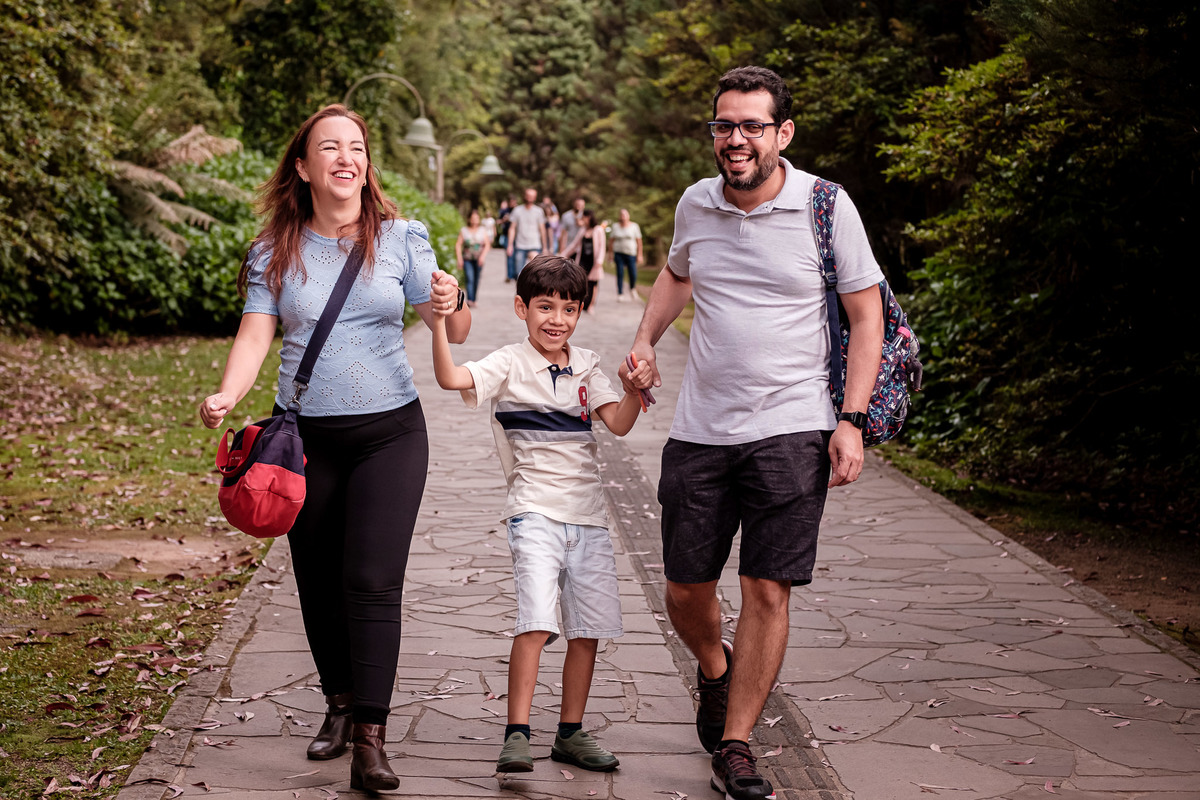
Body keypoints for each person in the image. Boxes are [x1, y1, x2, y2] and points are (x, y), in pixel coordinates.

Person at [622, 66, 885, 800]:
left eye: (750, 126)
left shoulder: (825, 207)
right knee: (683, 588)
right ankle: (716, 666)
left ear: (782, 134)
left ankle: (736, 744)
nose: (735, 140)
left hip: (794, 425)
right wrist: (644, 339)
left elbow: (867, 318)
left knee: (767, 586)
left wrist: (851, 420)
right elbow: (677, 275)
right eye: (723, 126)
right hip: (701, 427)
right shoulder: (696, 204)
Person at [198, 104, 471, 793]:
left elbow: (456, 326)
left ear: (366, 164)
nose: (346, 158)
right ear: (304, 167)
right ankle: (340, 705)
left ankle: (372, 741)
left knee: (371, 581)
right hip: (304, 441)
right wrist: (230, 392)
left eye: (357, 147)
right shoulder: (274, 251)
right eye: (330, 147)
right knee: (318, 583)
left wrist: (451, 298)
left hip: (391, 434)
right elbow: (257, 333)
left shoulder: (403, 237)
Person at [429, 255, 653, 775]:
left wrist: (633, 386)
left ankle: (570, 733)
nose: (557, 319)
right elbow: (448, 377)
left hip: (589, 516)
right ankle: (517, 733)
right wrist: (439, 322)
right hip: (533, 511)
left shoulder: (588, 365)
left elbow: (617, 424)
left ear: (580, 313)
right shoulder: (507, 362)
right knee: (534, 622)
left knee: (588, 629)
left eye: (569, 309)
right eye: (545, 306)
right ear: (521, 308)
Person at [560, 210, 606, 314]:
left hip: (594, 262)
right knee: (581, 282)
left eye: (583, 218)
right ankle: (580, 303)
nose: (581, 220)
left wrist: (599, 260)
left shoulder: (598, 230)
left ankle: (591, 305)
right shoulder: (583, 230)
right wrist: (563, 254)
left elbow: (602, 246)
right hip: (583, 260)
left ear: (588, 217)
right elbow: (574, 244)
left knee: (593, 284)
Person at [506, 187, 548, 275]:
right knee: (519, 273)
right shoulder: (517, 210)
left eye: (532, 196)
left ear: (535, 197)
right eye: (528, 196)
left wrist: (545, 247)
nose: (530, 198)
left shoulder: (539, 211)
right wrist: (510, 245)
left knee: (535, 272)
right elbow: (512, 228)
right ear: (525, 196)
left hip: (534, 245)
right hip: (520, 245)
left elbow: (542, 230)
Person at [456, 208, 491, 307]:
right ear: (469, 219)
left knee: (476, 279)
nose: (474, 220)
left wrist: (482, 257)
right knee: (470, 278)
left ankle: (474, 299)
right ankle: (470, 300)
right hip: (467, 259)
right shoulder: (464, 230)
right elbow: (458, 245)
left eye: (476, 218)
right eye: (473, 218)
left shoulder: (482, 230)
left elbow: (487, 245)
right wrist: (459, 259)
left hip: (479, 259)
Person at [609, 208, 643, 302]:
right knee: (620, 273)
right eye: (622, 214)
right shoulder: (615, 226)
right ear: (619, 216)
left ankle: (632, 288)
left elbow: (639, 241)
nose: (623, 216)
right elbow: (611, 241)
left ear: (628, 216)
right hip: (618, 253)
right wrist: (610, 255)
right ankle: (620, 293)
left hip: (631, 253)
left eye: (625, 214)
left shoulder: (634, 226)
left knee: (633, 273)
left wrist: (640, 255)